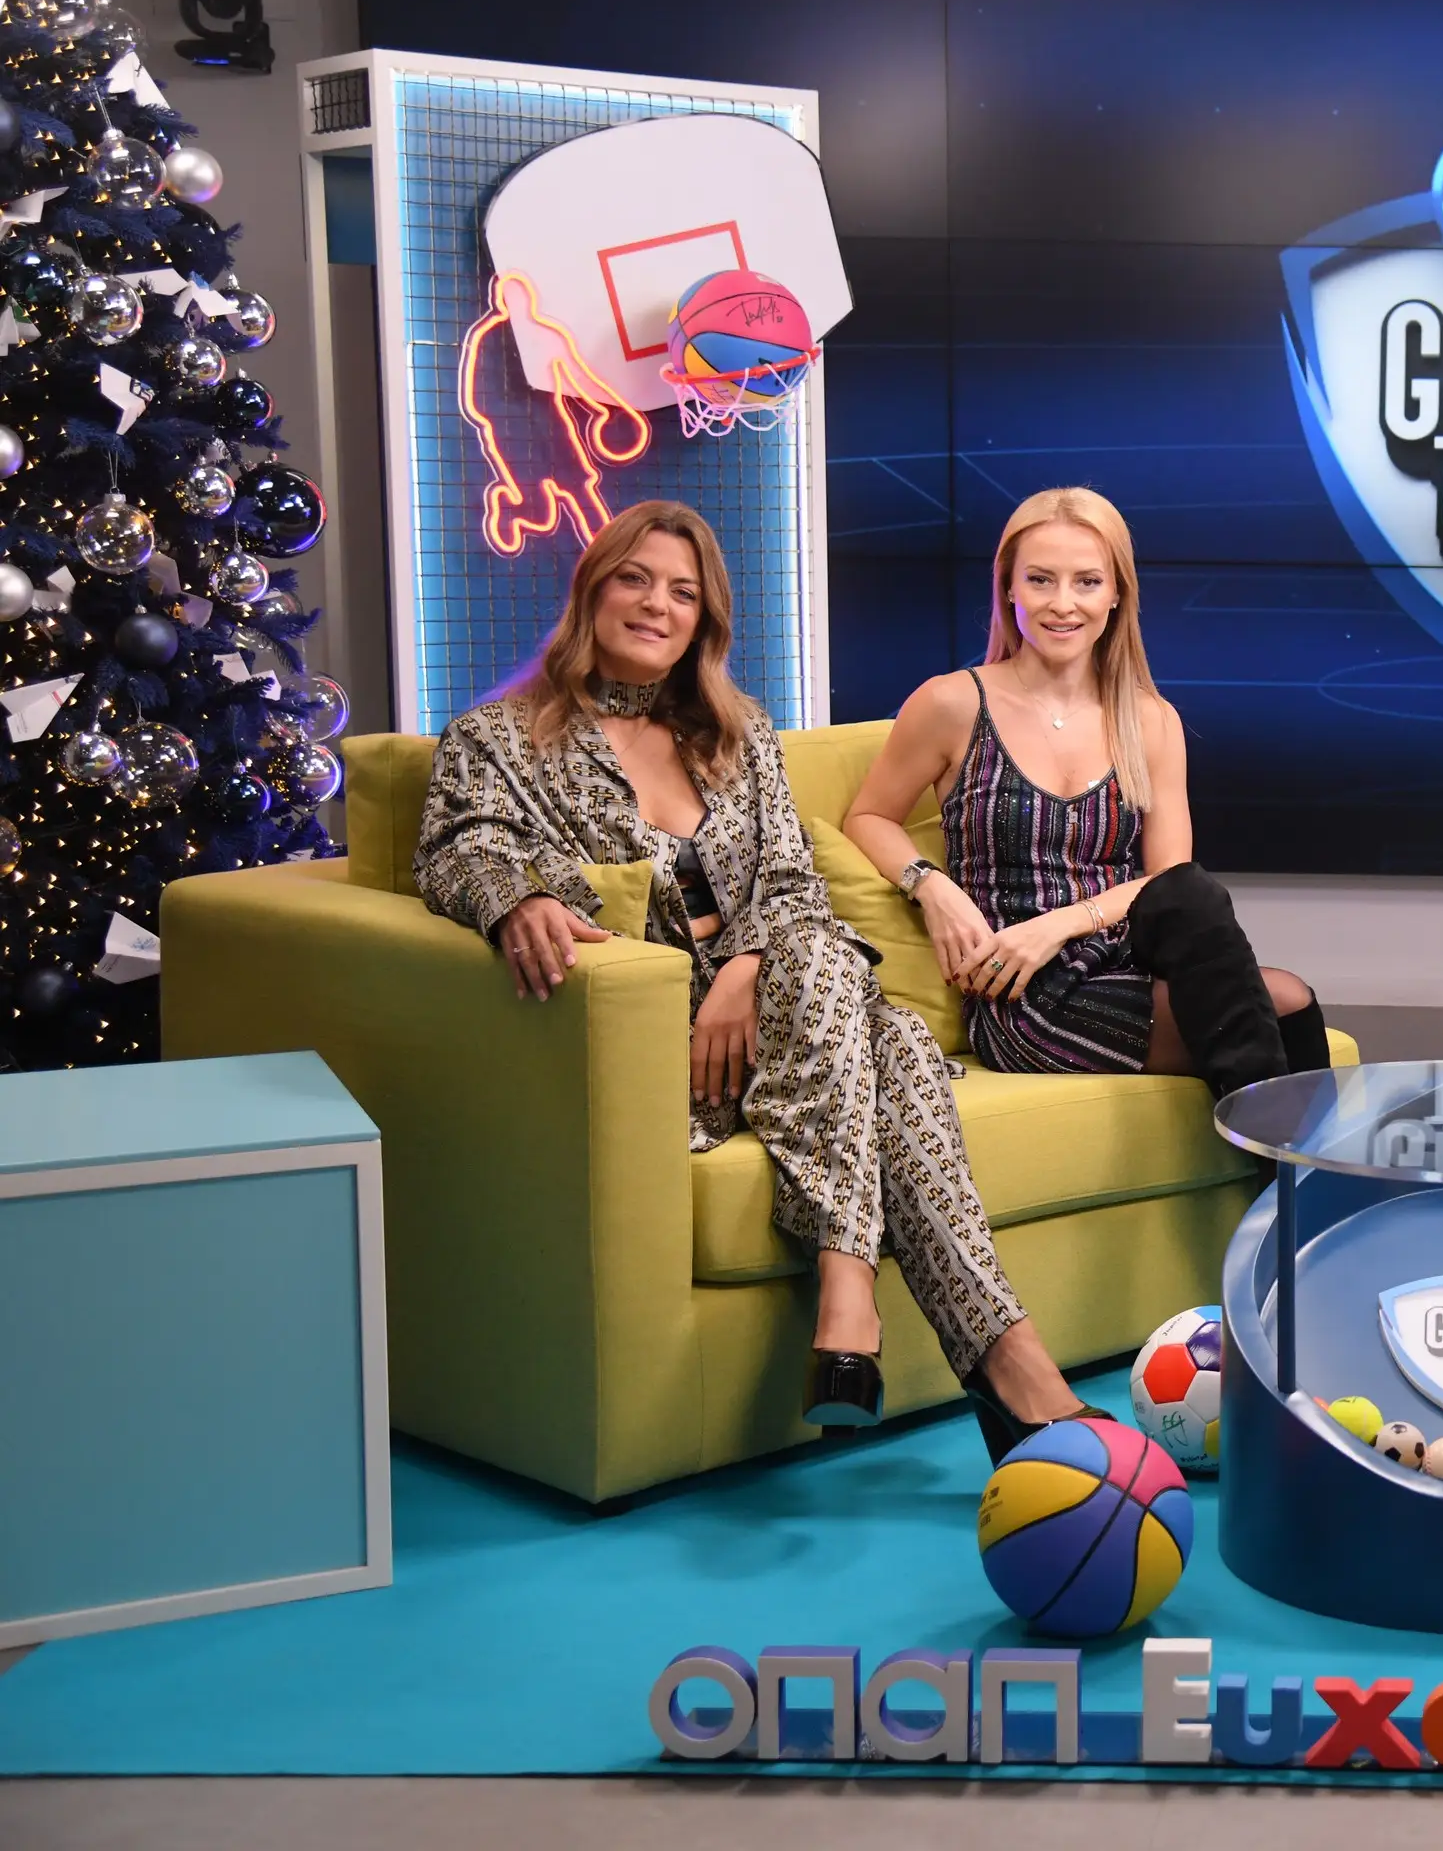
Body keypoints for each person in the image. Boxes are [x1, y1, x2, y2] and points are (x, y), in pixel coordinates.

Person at [414, 499, 1096, 1465]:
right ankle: (975, 1355)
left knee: (832, 975)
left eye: (682, 593)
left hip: (777, 1021)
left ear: (705, 619)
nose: (656, 605)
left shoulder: (739, 735)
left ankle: (924, 1336)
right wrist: (513, 897)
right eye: (634, 579)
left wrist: (742, 969)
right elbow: (458, 848)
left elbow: (791, 885)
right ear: (592, 590)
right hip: (663, 1047)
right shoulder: (499, 739)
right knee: (892, 1038)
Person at [844, 485, 1327, 1098]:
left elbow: (1169, 884)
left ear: (1116, 593)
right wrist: (931, 886)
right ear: (1009, 587)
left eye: (1088, 582)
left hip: (1123, 955)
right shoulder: (951, 703)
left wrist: (1061, 925)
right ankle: (1293, 1160)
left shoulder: (1151, 720)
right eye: (1041, 580)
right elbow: (868, 816)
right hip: (1022, 990)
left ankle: (1280, 1159)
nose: (1063, 604)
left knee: (1227, 930)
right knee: (1281, 1013)